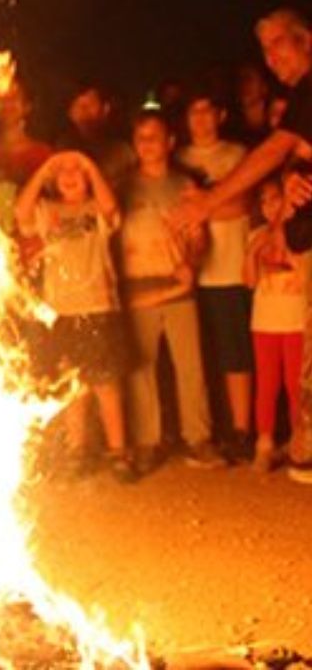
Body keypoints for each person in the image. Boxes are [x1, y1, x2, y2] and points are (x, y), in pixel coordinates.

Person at [15, 150, 136, 482]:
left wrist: (90, 165)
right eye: (63, 171)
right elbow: (21, 212)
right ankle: (77, 451)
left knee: (106, 384)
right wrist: (44, 170)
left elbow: (111, 209)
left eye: (77, 172)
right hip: (61, 311)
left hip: (97, 306)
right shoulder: (47, 211)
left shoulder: (97, 209)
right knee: (73, 385)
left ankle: (118, 451)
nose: (70, 175)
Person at [118, 111, 222, 470]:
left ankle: (199, 438)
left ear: (170, 142)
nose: (147, 144)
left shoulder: (184, 186)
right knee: (141, 367)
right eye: (141, 137)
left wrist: (190, 263)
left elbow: (198, 236)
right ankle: (147, 440)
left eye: (154, 136)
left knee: (190, 365)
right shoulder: (123, 187)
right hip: (138, 286)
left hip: (178, 286)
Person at [176, 9, 312, 252]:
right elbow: (298, 152)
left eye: (278, 43)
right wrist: (291, 178)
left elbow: (276, 149)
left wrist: (208, 201)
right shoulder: (302, 96)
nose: (271, 58)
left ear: (305, 40)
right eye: (265, 50)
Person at [176, 91, 253, 461]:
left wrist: (203, 205)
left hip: (232, 266)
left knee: (237, 351)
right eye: (195, 111)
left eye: (208, 110)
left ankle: (242, 429)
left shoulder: (236, 155)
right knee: (201, 355)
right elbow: (175, 211)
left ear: (221, 114)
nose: (202, 118)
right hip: (193, 271)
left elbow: (244, 203)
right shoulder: (179, 159)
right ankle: (211, 428)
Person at [243, 175, 308, 473]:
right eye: (265, 201)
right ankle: (264, 443)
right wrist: (253, 252)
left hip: (296, 322)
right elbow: (248, 281)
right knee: (267, 384)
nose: (271, 206)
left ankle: (299, 442)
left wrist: (289, 253)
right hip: (265, 323)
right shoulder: (255, 234)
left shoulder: (303, 234)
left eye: (276, 199)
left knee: (297, 385)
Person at [62, 81, 135, 192]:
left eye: (90, 104)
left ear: (105, 109)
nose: (83, 109)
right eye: (78, 105)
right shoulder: (62, 152)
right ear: (70, 113)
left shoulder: (123, 153)